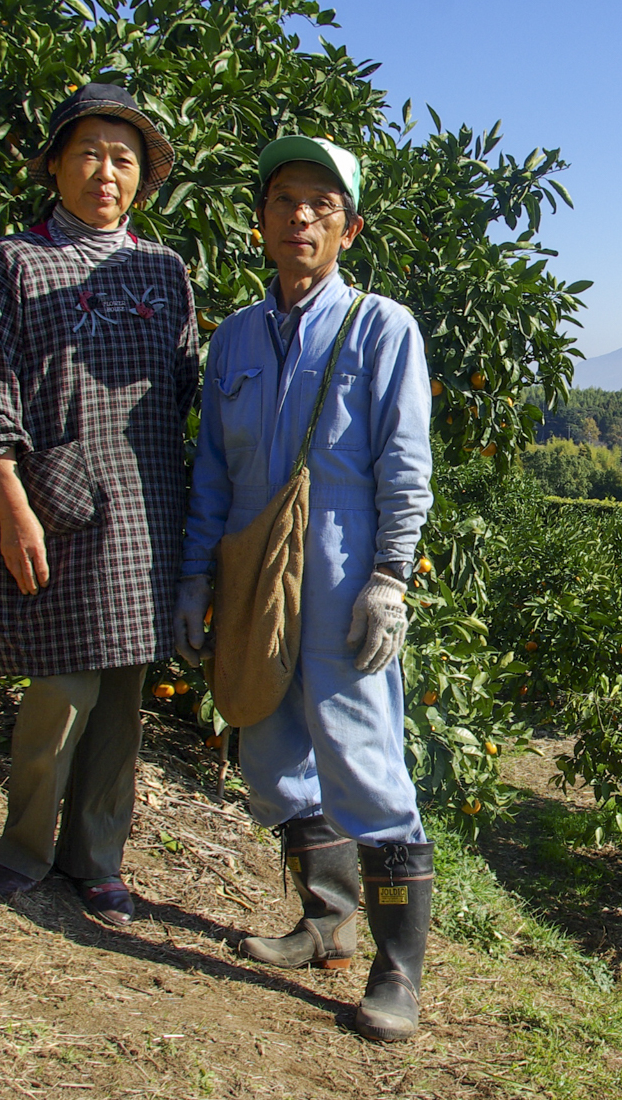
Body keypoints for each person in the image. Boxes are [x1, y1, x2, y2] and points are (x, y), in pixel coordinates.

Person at [176, 136, 434, 1042]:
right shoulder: (236, 338)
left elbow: (406, 466)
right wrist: (193, 579)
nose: (301, 217)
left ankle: (398, 971)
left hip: (339, 579)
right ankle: (326, 918)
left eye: (322, 204)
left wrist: (389, 579)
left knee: (367, 763)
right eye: (286, 199)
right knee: (270, 752)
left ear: (349, 228)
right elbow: (213, 469)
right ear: (261, 220)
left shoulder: (381, 327)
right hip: (254, 572)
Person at [0, 84, 199, 927]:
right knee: (60, 693)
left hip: (146, 511)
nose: (105, 172)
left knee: (123, 698)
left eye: (123, 158)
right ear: (55, 163)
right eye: (89, 152)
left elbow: (190, 388)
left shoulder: (164, 270)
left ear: (143, 179)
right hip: (57, 508)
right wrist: (11, 503)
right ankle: (23, 847)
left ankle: (97, 857)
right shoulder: (16, 261)